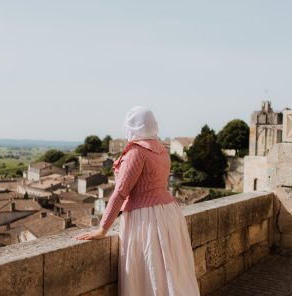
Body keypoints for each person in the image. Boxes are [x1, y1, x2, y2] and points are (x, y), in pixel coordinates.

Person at [76, 106, 200, 296]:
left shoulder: (137, 152)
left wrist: (103, 228)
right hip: (169, 213)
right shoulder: (161, 150)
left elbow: (120, 192)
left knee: (149, 273)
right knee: (171, 272)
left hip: (146, 218)